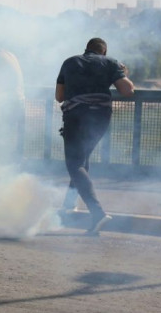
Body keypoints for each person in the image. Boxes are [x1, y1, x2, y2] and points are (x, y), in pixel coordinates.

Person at [56, 37, 135, 235]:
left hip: (75, 116)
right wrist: (122, 72)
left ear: (86, 49)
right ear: (104, 52)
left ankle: (97, 213)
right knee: (82, 161)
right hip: (100, 117)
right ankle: (69, 204)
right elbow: (127, 90)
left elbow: (59, 96)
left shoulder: (70, 62)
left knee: (75, 164)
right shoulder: (111, 63)